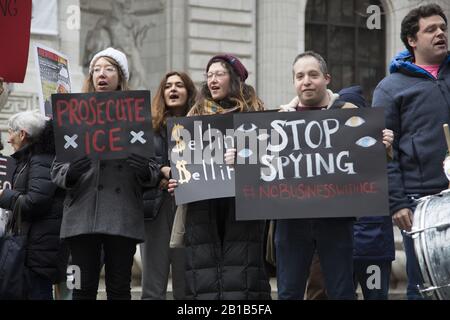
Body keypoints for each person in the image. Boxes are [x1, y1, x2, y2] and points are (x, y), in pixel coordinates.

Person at [276, 51, 394, 300]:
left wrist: (383, 148)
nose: (306, 81)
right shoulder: (279, 120)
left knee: (341, 291)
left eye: (313, 75)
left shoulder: (351, 116)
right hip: (292, 220)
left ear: (327, 78)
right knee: (289, 292)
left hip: (336, 219)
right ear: (294, 82)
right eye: (299, 76)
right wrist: (240, 161)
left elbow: (369, 167)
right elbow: (262, 170)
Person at [51, 47, 160, 300]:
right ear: (91, 77)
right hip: (81, 216)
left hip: (122, 214)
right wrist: (71, 172)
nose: (102, 74)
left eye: (109, 69)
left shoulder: (137, 117)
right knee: (80, 287)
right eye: (97, 69)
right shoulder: (72, 115)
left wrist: (145, 170)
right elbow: (56, 169)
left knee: (119, 288)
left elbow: (154, 168)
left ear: (121, 77)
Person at [168, 54, 271, 300]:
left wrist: (244, 162)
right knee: (203, 277)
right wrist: (177, 180)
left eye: (219, 74)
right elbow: (183, 159)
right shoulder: (194, 116)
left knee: (243, 276)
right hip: (202, 209)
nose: (212, 80)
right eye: (209, 75)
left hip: (243, 207)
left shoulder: (256, 113)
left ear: (235, 79)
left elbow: (270, 164)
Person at [372, 3, 449, 300]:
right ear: (412, 40)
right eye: (431, 29)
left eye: (443, 27)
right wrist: (397, 203)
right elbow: (382, 152)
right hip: (420, 206)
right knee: (425, 288)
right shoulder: (389, 89)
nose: (440, 33)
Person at [140, 71, 197, 300]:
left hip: (189, 207)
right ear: (162, 93)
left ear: (189, 92)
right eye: (168, 86)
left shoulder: (201, 127)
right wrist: (162, 172)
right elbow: (138, 164)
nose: (173, 89)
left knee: (186, 285)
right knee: (153, 286)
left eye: (179, 85)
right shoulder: (148, 129)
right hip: (156, 208)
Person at [0, 111, 66, 299]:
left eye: (11, 132)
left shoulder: (41, 160)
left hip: (38, 251)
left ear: (22, 134)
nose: (9, 139)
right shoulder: (29, 160)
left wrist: (4, 195)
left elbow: (35, 202)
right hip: (31, 247)